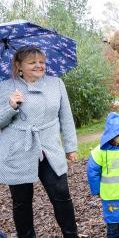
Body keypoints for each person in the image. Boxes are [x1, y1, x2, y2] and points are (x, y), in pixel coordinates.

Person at [0, 45, 79, 237]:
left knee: (61, 196)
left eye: (42, 62)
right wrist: (11, 106)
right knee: (21, 202)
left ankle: (71, 234)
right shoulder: (5, 86)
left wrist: (70, 147)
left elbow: (66, 117)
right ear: (18, 65)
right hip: (18, 149)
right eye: (32, 62)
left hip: (49, 148)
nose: (39, 65)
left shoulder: (56, 83)